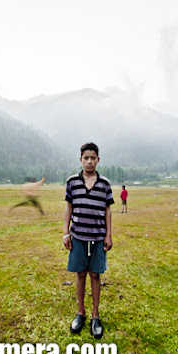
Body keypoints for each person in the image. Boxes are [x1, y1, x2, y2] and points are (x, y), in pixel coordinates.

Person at [63, 142, 114, 339]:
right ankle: (80, 312)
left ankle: (95, 315)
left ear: (98, 160)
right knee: (80, 274)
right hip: (78, 237)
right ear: (81, 160)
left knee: (95, 275)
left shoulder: (105, 184)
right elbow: (69, 208)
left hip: (98, 238)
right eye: (86, 158)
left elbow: (107, 210)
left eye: (93, 158)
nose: (89, 161)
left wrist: (108, 235)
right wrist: (66, 233)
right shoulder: (72, 182)